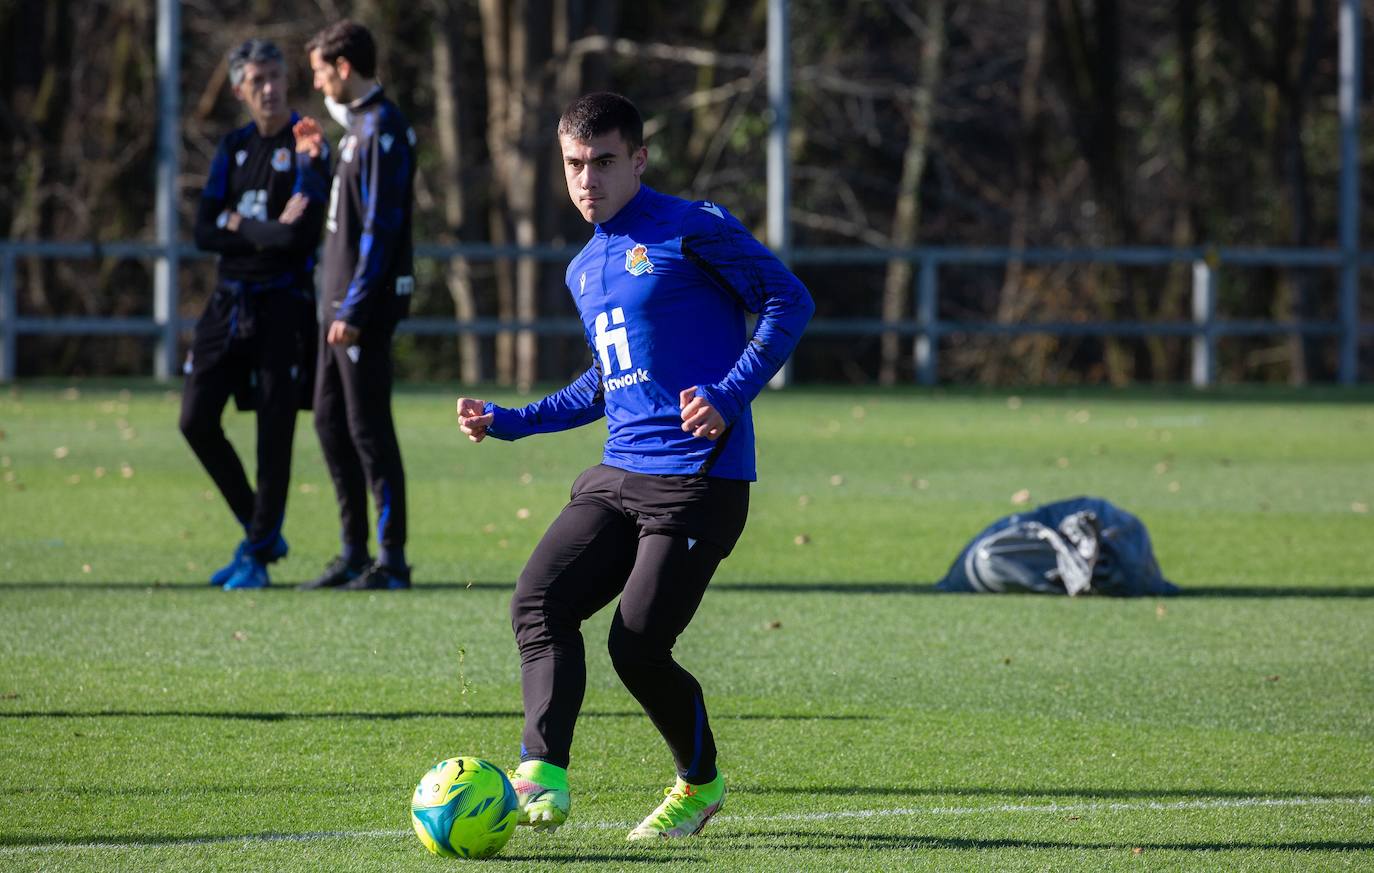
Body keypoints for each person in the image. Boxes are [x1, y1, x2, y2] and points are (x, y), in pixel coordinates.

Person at [456, 92, 814, 841]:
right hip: (619, 473)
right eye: (574, 165)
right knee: (538, 600)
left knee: (638, 643)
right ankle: (541, 770)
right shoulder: (585, 267)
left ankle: (699, 781)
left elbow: (789, 300)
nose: (587, 180)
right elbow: (606, 381)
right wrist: (511, 421)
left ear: (639, 159)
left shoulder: (692, 228)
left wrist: (728, 393)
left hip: (699, 481)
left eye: (604, 163)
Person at [181, 38, 328, 591]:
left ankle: (258, 557)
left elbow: (301, 235)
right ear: (241, 89)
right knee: (194, 418)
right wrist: (264, 233)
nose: (269, 89)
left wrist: (239, 227)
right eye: (257, 81)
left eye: (276, 77)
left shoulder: (308, 142)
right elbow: (201, 231)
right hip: (228, 303)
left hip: (284, 307)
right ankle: (261, 531)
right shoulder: (233, 147)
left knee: (274, 431)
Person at [295, 20, 416, 591]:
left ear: (344, 67)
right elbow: (344, 219)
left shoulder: (383, 130)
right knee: (327, 421)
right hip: (335, 306)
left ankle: (391, 560)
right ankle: (352, 550)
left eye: (320, 71)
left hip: (356, 311)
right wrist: (317, 163)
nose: (317, 83)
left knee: (368, 428)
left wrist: (355, 309)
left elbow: (381, 232)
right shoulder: (356, 130)